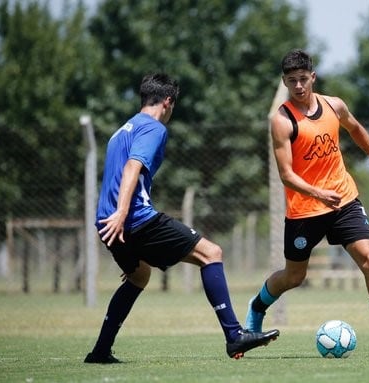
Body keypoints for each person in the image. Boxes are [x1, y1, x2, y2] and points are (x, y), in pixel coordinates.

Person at [84, 73, 279, 363]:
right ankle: (234, 335)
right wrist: (124, 214)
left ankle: (100, 350)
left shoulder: (121, 131)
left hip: (107, 223)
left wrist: (123, 230)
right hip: (133, 219)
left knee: (139, 275)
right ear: (167, 101)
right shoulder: (153, 128)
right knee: (211, 253)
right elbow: (131, 169)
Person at [244, 49, 369, 358]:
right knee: (293, 277)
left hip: (343, 198)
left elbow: (355, 129)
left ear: (312, 77)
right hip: (305, 209)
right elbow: (286, 175)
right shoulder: (282, 120)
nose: (298, 86)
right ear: (285, 82)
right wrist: (317, 193)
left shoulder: (334, 105)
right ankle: (257, 306)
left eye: (303, 79)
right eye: (291, 81)